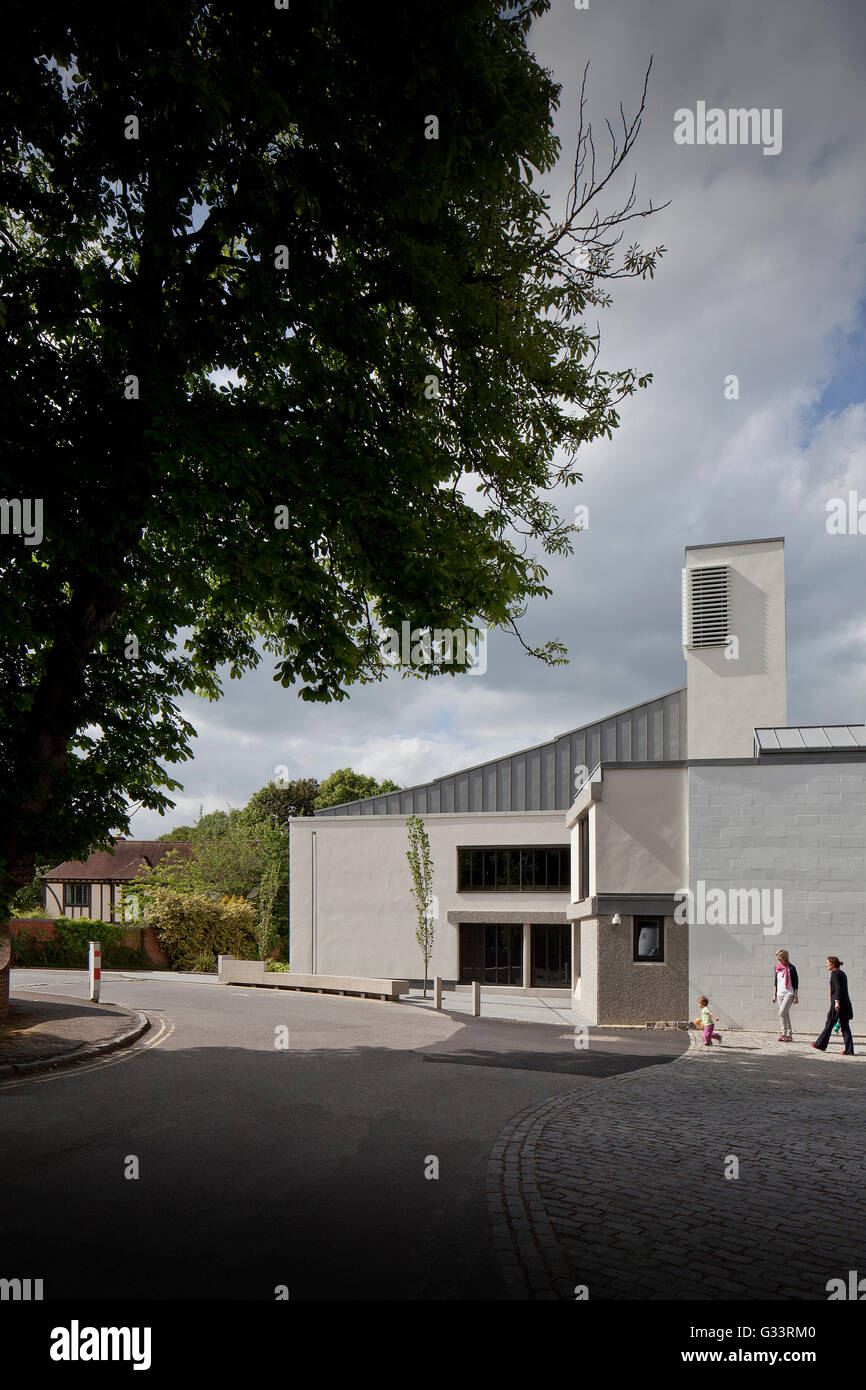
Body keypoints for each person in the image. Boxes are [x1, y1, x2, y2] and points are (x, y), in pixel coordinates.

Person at [812, 957, 854, 1056]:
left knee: (829, 1023)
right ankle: (849, 1050)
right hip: (845, 1004)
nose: (826, 965)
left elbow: (838, 989)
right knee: (845, 1027)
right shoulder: (842, 973)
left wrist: (837, 1002)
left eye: (827, 963)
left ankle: (820, 1044)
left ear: (833, 964)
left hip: (838, 1005)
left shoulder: (835, 974)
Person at [772, 948, 799, 1041]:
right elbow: (776, 982)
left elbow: (796, 983)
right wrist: (774, 994)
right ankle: (789, 1035)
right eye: (777, 958)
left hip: (789, 993)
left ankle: (784, 1033)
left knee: (781, 1012)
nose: (778, 960)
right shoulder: (777, 968)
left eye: (780, 958)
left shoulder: (791, 968)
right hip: (780, 993)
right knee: (785, 1013)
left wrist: (796, 996)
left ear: (784, 958)